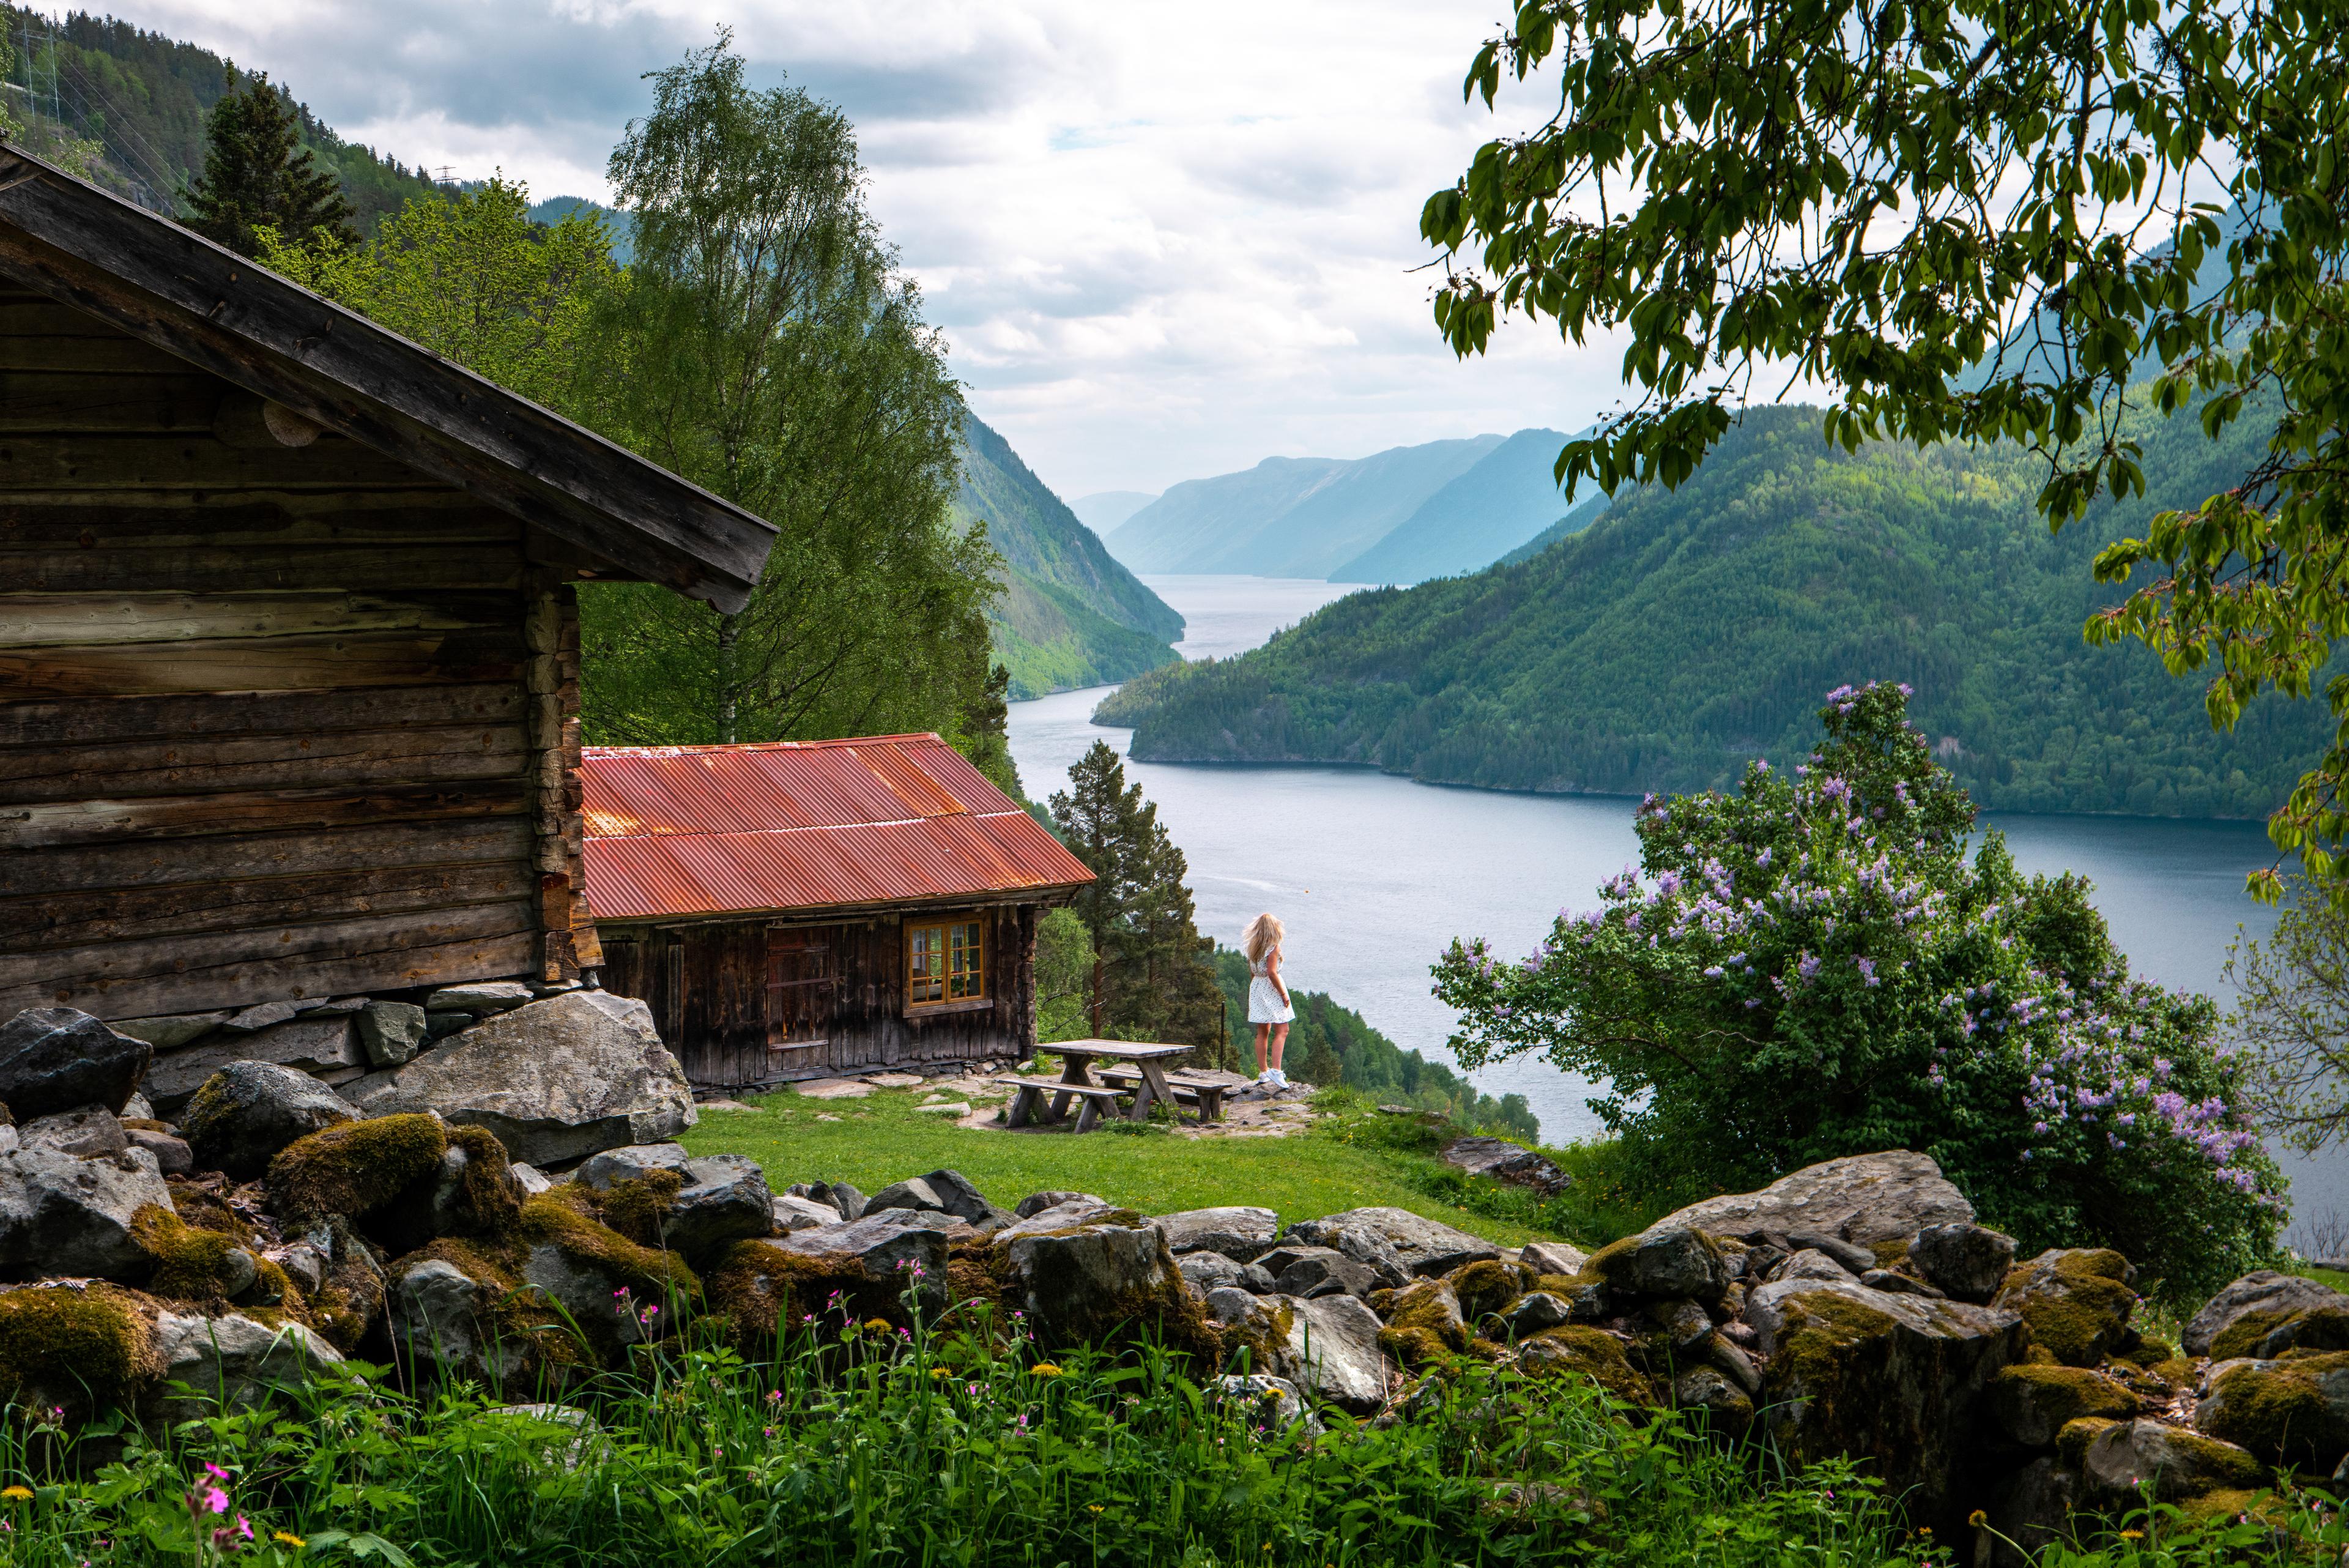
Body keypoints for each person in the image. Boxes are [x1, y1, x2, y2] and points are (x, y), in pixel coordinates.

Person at [1242, 912, 1294, 1086]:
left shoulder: (1253, 947)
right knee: (1283, 1030)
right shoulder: (1273, 947)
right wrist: (1283, 994)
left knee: (1262, 1032)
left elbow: (1252, 972)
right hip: (1271, 989)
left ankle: (1263, 1072)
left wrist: (1256, 992)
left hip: (1257, 987)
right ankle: (1277, 1071)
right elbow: (1272, 973)